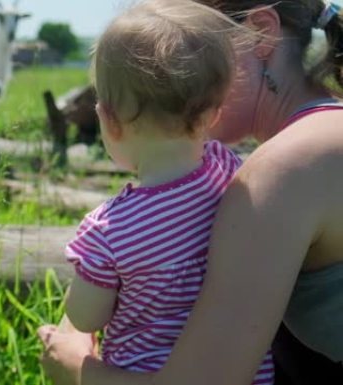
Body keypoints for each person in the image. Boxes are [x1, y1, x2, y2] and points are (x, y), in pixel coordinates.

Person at [38, 0, 343, 384]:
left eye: (187, 54)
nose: (171, 87)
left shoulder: (286, 167)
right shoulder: (268, 156)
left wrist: (76, 369)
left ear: (262, 33)